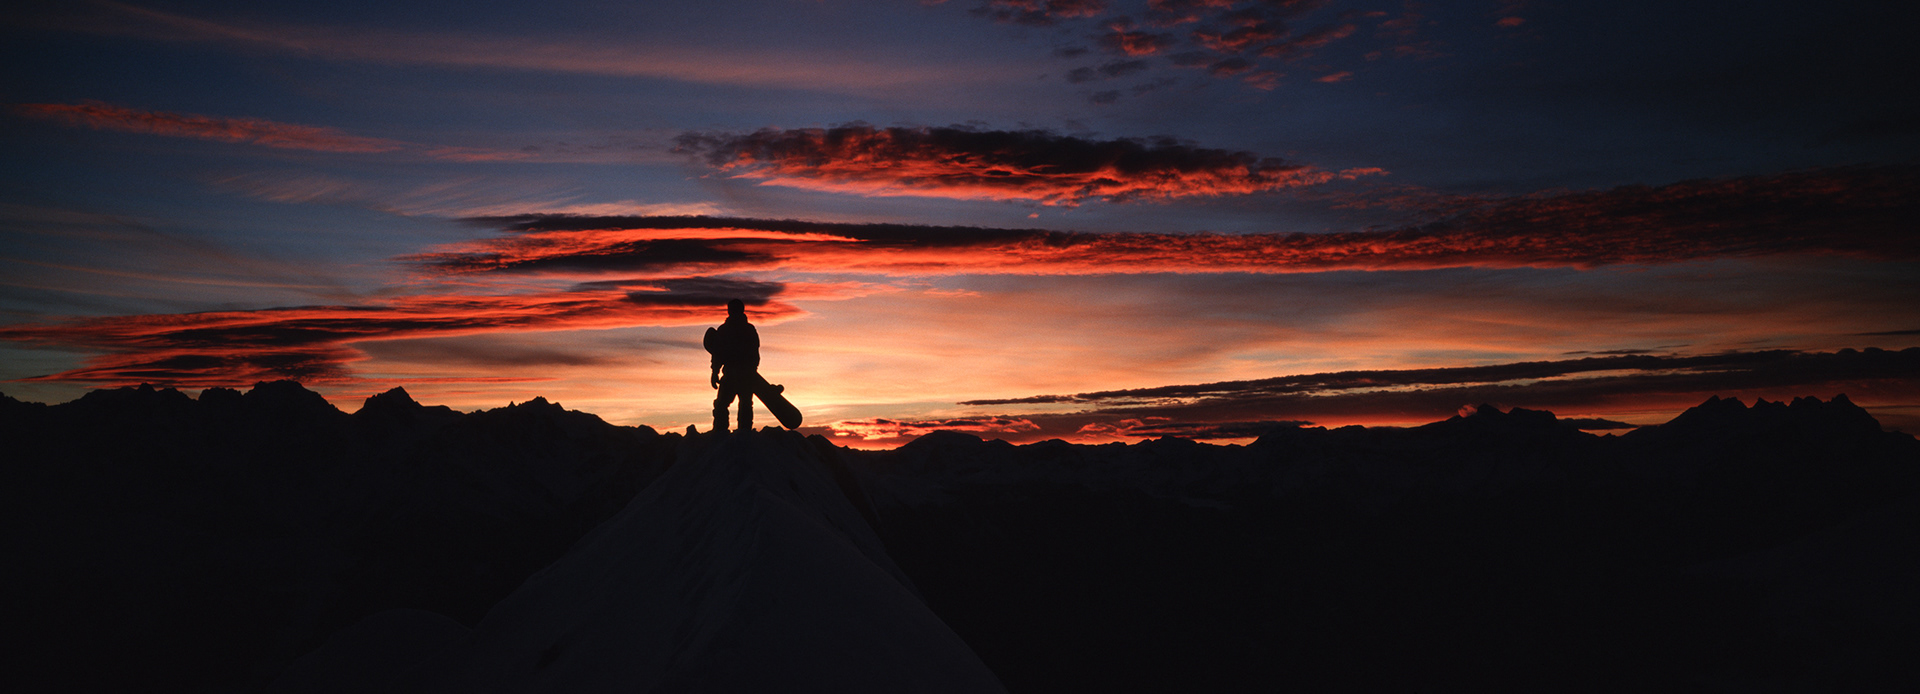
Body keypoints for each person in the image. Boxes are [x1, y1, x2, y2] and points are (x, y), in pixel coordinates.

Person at [709, 299, 760, 433]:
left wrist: (715, 372)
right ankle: (728, 433)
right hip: (739, 374)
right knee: (737, 405)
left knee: (739, 405)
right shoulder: (745, 329)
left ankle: (737, 434)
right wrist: (715, 372)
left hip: (736, 374)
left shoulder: (727, 330)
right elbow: (718, 353)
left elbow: (718, 353)